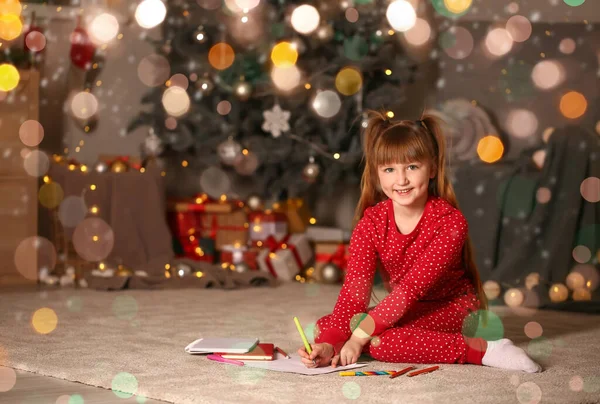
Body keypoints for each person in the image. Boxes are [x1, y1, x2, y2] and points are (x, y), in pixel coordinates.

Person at [297, 110, 542, 373]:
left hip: (454, 309)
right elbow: (355, 291)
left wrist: (358, 338)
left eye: (412, 167)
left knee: (379, 342)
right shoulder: (371, 223)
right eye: (389, 169)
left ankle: (484, 349)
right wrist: (331, 345)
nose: (401, 180)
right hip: (404, 307)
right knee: (329, 326)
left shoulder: (450, 223)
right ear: (378, 174)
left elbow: (408, 291)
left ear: (433, 168)